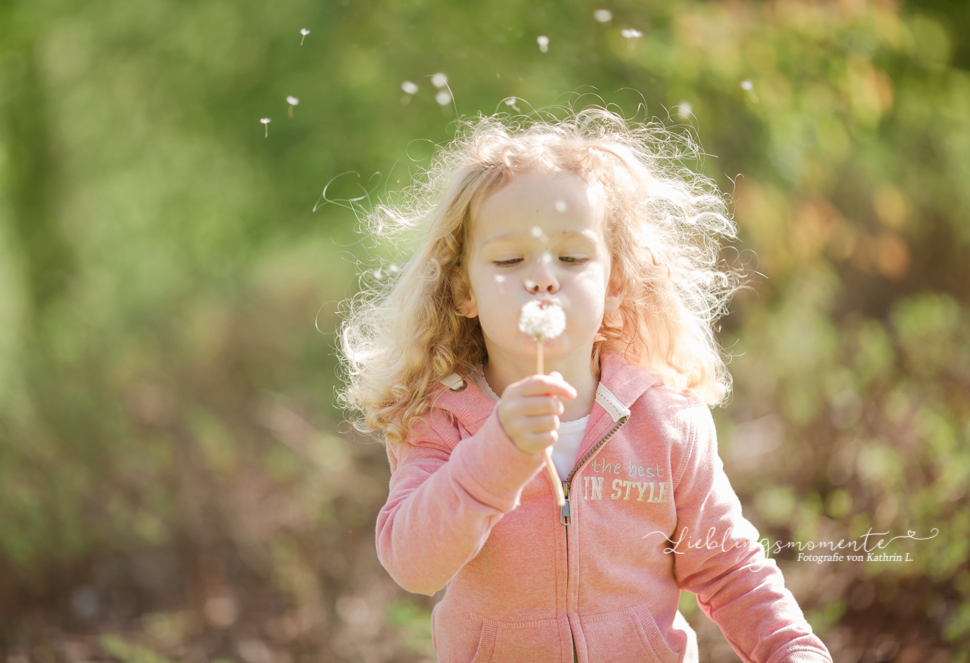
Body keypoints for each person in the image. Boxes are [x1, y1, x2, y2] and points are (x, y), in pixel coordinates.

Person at [338, 107, 833, 662]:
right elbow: (413, 564)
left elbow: (729, 567)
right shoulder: (442, 418)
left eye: (572, 256)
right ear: (463, 292)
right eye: (509, 258)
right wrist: (497, 453)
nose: (543, 275)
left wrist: (793, 650)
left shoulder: (664, 421)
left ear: (615, 285)